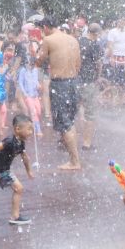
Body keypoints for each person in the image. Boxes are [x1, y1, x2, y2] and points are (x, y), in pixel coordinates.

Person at [37, 17, 83, 170]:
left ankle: (74, 161)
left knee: (65, 124)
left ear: (45, 27)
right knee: (69, 120)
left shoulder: (48, 40)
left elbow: (40, 60)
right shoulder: (73, 40)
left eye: (42, 29)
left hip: (60, 84)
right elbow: (78, 64)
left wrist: (35, 59)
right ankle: (73, 157)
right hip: (74, 83)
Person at [77, 23, 104, 150]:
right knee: (90, 114)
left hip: (76, 80)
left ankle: (65, 140)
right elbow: (99, 63)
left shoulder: (79, 41)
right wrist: (98, 77)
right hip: (89, 81)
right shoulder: (95, 45)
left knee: (74, 109)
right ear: (96, 33)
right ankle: (86, 143)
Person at [16, 54, 42, 137]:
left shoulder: (35, 70)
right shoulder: (23, 70)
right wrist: (25, 94)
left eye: (32, 64)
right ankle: (38, 130)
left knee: (38, 111)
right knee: (33, 112)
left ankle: (29, 125)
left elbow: (36, 80)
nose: (30, 65)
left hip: (35, 95)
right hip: (28, 95)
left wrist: (38, 85)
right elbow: (20, 82)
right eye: (29, 63)